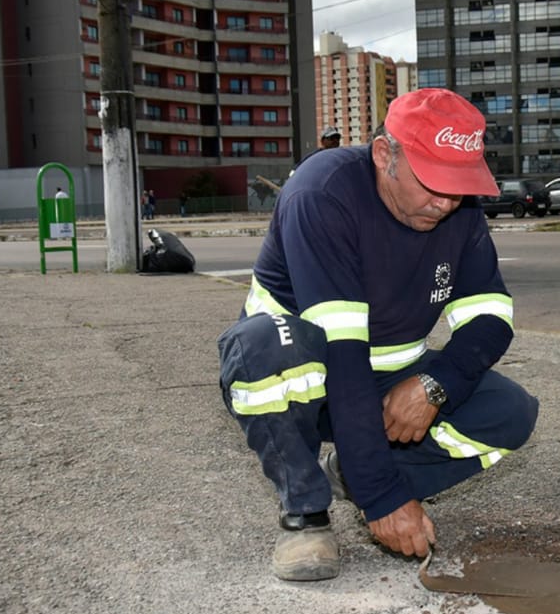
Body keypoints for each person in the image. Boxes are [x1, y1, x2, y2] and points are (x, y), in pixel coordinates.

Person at [216, 89, 539, 582]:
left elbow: (490, 317)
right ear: (385, 155)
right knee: (262, 346)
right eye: (432, 182)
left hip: (389, 379)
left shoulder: (461, 210)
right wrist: (381, 496)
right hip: (309, 375)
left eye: (459, 185)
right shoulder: (323, 194)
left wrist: (435, 385)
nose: (445, 201)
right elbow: (344, 358)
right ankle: (306, 514)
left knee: (510, 413)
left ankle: (347, 470)